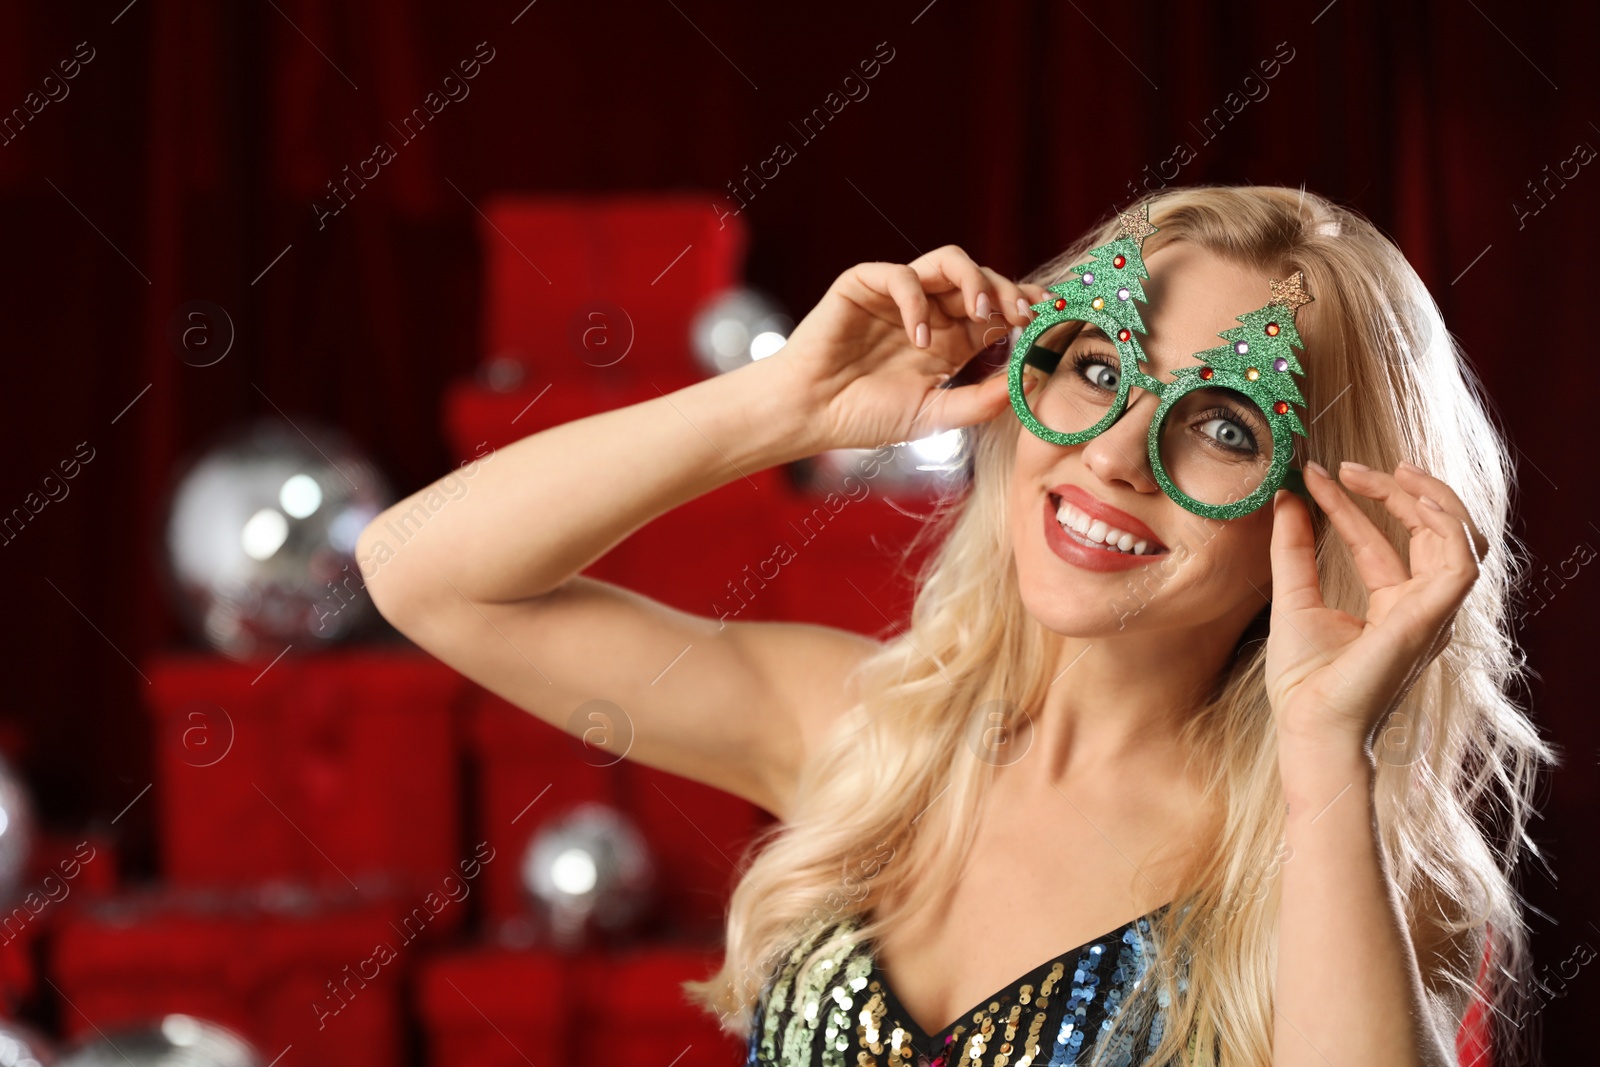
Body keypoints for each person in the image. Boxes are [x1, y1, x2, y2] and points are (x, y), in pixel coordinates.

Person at [358, 184, 1554, 1067]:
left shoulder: (1321, 864)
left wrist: (1325, 754)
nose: (1112, 452)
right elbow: (422, 572)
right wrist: (781, 405)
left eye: (1226, 428)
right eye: (1094, 366)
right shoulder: (863, 731)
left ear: (1328, 514)